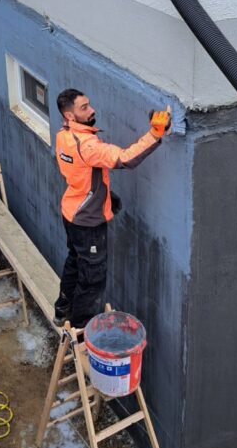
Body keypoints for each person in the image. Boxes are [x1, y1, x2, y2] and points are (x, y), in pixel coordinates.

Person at [54, 89, 172, 329]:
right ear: (70, 115)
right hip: (88, 223)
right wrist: (155, 133)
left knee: (74, 262)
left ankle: (62, 309)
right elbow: (126, 158)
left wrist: (106, 197)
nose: (92, 109)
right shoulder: (87, 146)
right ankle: (79, 330)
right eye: (84, 107)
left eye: (89, 104)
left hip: (72, 211)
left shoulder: (63, 135)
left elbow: (87, 175)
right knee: (93, 279)